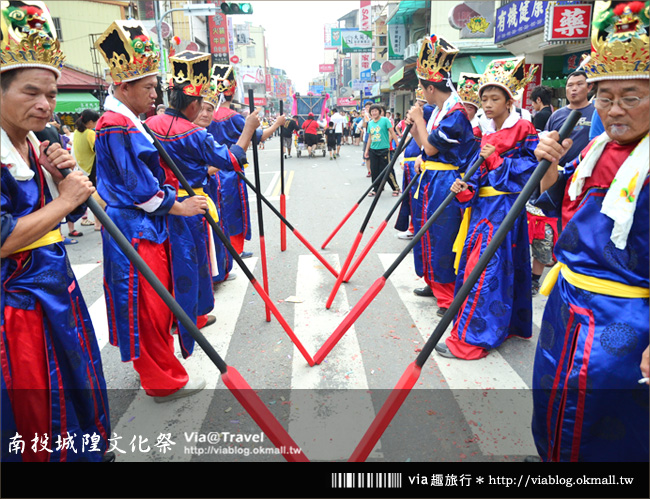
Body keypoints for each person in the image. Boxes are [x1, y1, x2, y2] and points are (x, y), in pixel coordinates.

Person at [530, 1, 649, 462]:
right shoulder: (598, 147)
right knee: (552, 400)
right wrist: (550, 165)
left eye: (631, 97)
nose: (615, 109)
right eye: (605, 97)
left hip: (623, 319)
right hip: (567, 302)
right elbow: (558, 200)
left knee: (608, 421)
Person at [0, 2, 111, 462]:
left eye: (51, 92)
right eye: (31, 92)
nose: (45, 103)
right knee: (36, 406)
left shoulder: (35, 143)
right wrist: (65, 201)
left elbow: (58, 217)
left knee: (74, 384)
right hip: (16, 306)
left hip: (54, 289)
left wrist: (64, 185)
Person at [95, 20, 210, 403]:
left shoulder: (131, 122)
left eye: (155, 86)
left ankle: (160, 370)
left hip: (144, 224)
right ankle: (162, 379)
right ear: (123, 87)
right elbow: (138, 187)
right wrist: (179, 205)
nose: (154, 94)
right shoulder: (115, 125)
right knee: (148, 306)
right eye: (147, 87)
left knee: (157, 304)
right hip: (136, 226)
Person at [145, 51, 255, 340]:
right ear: (193, 104)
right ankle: (191, 317)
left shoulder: (148, 126)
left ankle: (175, 316)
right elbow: (232, 159)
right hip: (189, 206)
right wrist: (249, 130)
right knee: (191, 265)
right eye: (201, 106)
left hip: (157, 207)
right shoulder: (192, 133)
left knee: (167, 267)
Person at [438, 56, 540, 360]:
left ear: (509, 101)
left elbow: (530, 170)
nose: (488, 104)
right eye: (484, 99)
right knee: (490, 269)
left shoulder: (523, 129)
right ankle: (500, 326)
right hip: (484, 210)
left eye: (495, 98)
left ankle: (473, 339)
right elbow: (476, 174)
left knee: (484, 271)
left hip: (504, 209)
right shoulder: (486, 133)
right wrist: (464, 187)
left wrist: (495, 161)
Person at [405, 35, 477, 315]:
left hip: (446, 182)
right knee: (425, 233)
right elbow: (423, 144)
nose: (421, 93)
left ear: (431, 88)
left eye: (422, 88)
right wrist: (415, 125)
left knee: (442, 236)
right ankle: (433, 283)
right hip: (430, 180)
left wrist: (420, 121)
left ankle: (448, 294)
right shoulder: (438, 110)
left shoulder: (456, 113)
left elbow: (432, 148)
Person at [207, 64, 285, 259]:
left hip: (209, 171)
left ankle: (220, 251)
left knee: (215, 211)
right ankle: (234, 249)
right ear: (232, 93)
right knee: (233, 210)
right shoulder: (234, 117)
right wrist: (276, 124)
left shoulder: (204, 115)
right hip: (230, 169)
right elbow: (259, 137)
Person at [394, 87, 432, 241]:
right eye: (417, 104)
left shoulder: (431, 120)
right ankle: (412, 228)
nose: (417, 108)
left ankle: (416, 229)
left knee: (419, 201)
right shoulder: (417, 122)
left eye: (421, 106)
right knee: (410, 200)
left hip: (424, 167)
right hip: (411, 166)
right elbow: (414, 141)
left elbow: (427, 148)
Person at [544, 70, 595, 167]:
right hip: (558, 172)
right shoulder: (556, 115)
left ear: (589, 88)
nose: (574, 89)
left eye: (579, 84)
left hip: (586, 170)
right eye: (570, 85)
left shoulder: (596, 113)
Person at [73, 109, 101, 230]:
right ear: (90, 122)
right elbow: (98, 150)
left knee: (89, 195)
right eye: (95, 122)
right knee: (96, 196)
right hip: (92, 166)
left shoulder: (76, 132)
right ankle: (98, 223)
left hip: (82, 167)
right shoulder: (89, 133)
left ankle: (90, 220)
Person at [365, 103, 400, 196]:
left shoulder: (385, 120)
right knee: (374, 170)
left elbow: (392, 132)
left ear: (379, 112)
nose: (374, 113)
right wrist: (366, 150)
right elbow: (369, 137)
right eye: (372, 111)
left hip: (384, 149)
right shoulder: (370, 123)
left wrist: (397, 144)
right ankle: (375, 189)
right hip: (373, 150)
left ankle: (395, 188)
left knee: (386, 170)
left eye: (376, 111)